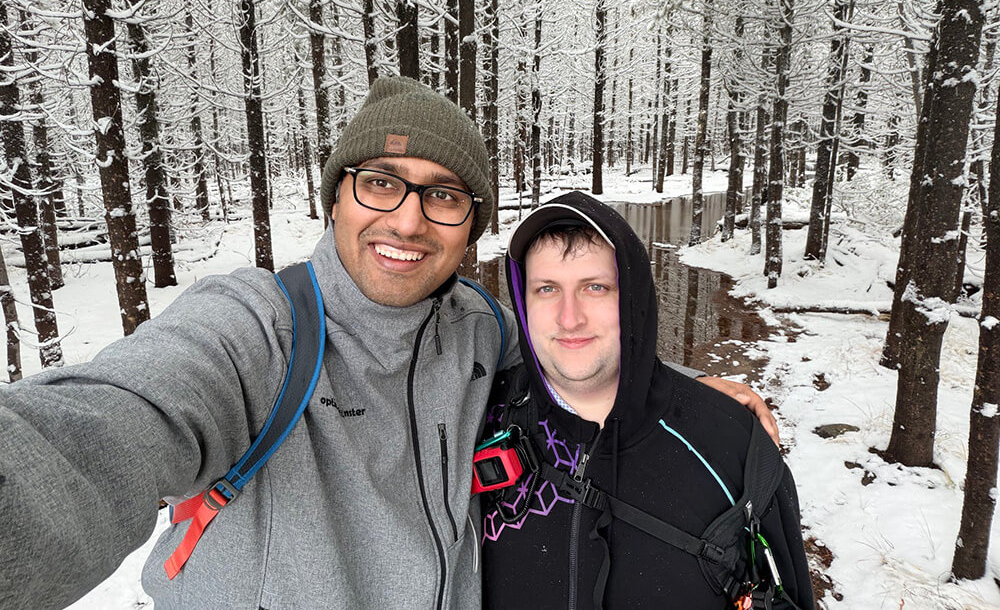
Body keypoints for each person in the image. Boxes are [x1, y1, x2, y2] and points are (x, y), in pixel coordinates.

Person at [0, 76, 776, 610]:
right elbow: (101, 431)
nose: (407, 220)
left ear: (470, 227)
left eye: (443, 195)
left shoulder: (479, 326)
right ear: (337, 196)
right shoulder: (255, 330)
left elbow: (573, 353)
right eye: (380, 182)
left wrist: (678, 392)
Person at [480, 192, 814, 609]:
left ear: (633, 298)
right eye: (546, 289)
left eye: (595, 287)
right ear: (522, 302)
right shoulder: (480, 419)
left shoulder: (738, 449)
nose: (569, 318)